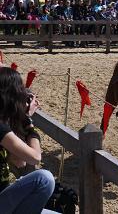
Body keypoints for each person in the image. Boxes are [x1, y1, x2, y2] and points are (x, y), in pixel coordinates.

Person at [0, 67, 56, 213]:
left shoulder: (4, 123)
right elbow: (34, 158)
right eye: (19, 90)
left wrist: (17, 119)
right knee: (44, 178)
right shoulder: (0, 128)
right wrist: (28, 122)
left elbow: (20, 162)